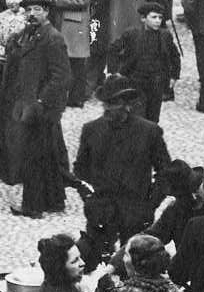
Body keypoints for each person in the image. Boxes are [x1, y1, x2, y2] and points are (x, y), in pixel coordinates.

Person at [71, 77, 168, 259]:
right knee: (93, 264)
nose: (107, 108)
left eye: (113, 103)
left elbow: (165, 173)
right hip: (100, 212)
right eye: (105, 103)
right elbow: (80, 170)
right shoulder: (91, 129)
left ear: (126, 104)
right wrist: (90, 198)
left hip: (135, 213)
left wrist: (150, 204)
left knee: (135, 263)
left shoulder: (148, 132)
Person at [0, 0, 75, 217]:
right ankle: (54, 200)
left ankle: (33, 206)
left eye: (37, 10)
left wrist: (41, 101)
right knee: (48, 154)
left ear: (47, 12)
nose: (32, 14)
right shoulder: (27, 35)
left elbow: (62, 76)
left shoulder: (53, 38)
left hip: (42, 108)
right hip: (27, 104)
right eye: (28, 10)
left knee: (33, 157)